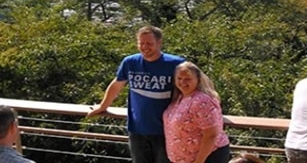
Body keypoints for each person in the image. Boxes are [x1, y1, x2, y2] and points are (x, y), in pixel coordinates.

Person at [87, 25, 185, 163]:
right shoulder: (130, 62)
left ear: (159, 42)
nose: (145, 47)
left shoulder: (176, 63)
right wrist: (103, 107)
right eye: (141, 43)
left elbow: (192, 87)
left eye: (149, 44)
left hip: (167, 130)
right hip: (138, 129)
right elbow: (117, 85)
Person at [163, 61, 230, 163]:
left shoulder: (202, 101)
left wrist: (199, 161)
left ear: (198, 80)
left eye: (188, 79)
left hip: (207, 157)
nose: (183, 82)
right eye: (179, 79)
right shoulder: (179, 98)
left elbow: (211, 134)